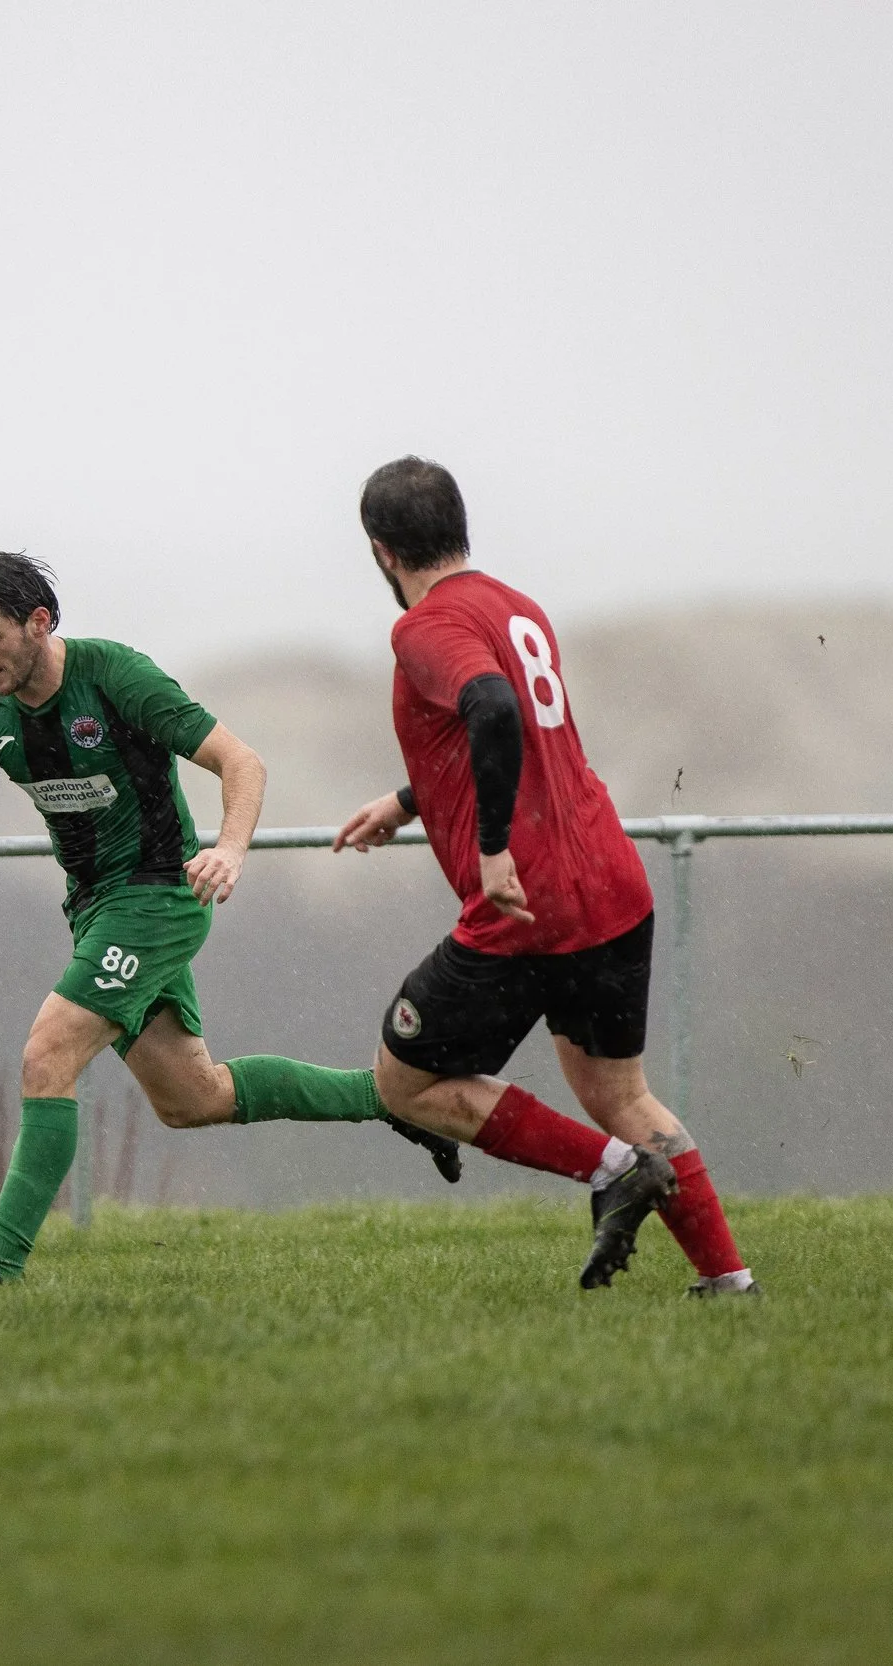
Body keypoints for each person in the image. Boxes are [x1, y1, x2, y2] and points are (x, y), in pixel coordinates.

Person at [0, 552, 462, 1285]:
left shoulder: (114, 677)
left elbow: (242, 762)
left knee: (45, 1057)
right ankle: (397, 1099)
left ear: (39, 622)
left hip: (158, 898)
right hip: (93, 911)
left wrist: (231, 850)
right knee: (192, 1098)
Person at [332, 458, 758, 1295]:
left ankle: (615, 1174)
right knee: (622, 1094)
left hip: (529, 903)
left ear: (382, 551)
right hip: (611, 883)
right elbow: (517, 736)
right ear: (461, 526)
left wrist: (492, 850)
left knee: (404, 1079)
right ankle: (728, 1281)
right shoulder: (517, 607)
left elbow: (491, 709)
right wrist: (412, 800)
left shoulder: (421, 627)